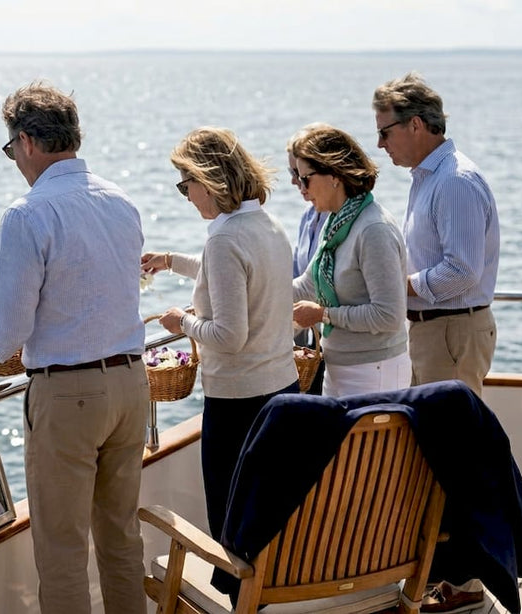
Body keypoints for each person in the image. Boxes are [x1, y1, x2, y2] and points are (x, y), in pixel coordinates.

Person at [0, 81, 149, 614]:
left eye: (11, 150)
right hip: (131, 385)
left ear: (26, 141)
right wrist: (11, 282)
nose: (15, 162)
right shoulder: (120, 201)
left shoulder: (27, 213)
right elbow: (94, 284)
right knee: (121, 537)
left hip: (68, 397)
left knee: (62, 550)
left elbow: (6, 336)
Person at [141, 126, 299, 602]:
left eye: (185, 184)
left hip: (238, 405)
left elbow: (229, 336)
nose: (186, 196)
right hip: (283, 392)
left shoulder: (225, 239)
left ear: (208, 181)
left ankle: (242, 605)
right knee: (272, 520)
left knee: (234, 531)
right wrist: (171, 261)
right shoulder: (267, 227)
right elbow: (233, 275)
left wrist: (182, 322)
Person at [373, 72, 500, 613]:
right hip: (435, 331)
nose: (380, 143)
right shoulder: (428, 178)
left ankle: (466, 586)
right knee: (438, 457)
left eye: (385, 131)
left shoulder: (454, 182)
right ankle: (448, 578)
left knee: (453, 461)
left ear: (416, 125)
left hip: (451, 330)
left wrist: (398, 286)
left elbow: (462, 272)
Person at [288, 126, 411, 397]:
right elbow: (307, 286)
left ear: (334, 175)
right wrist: (253, 298)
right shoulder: (337, 222)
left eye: (305, 179)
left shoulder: (373, 229)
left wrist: (322, 315)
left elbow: (389, 315)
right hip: (340, 368)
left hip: (374, 371)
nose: (302, 189)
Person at [287, 123, 332, 394]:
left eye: (300, 174)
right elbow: (298, 276)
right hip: (308, 340)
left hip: (329, 336)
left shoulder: (339, 219)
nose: (296, 182)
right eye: (293, 173)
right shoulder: (307, 217)